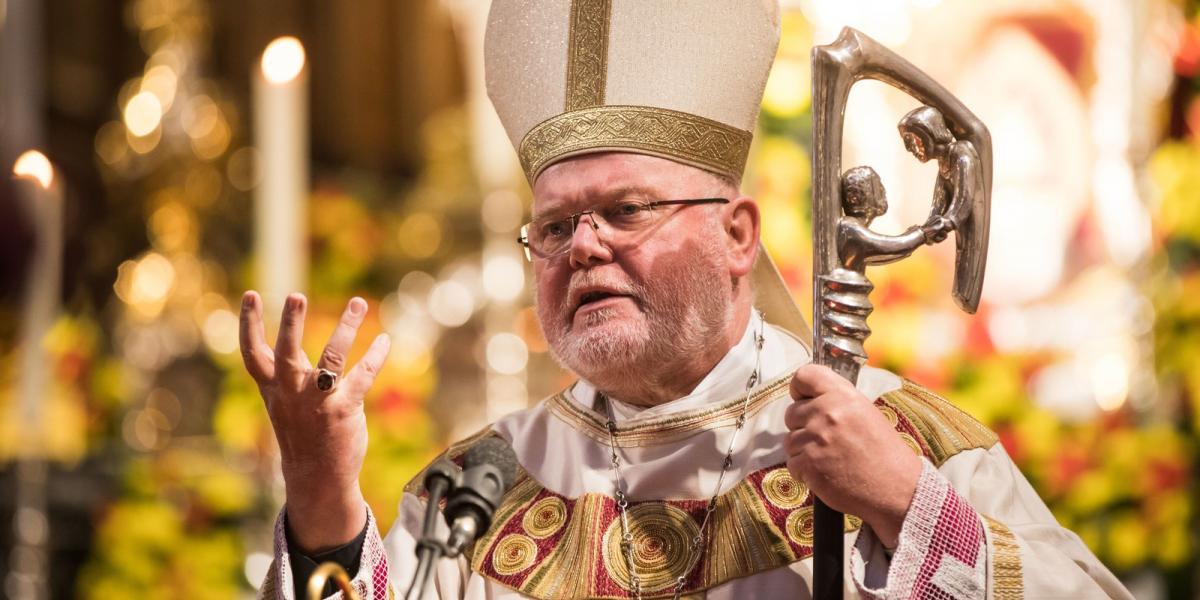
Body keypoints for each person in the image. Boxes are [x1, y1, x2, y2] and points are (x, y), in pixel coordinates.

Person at [245, 1, 1131, 598]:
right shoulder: (476, 490)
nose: (584, 244)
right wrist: (322, 493)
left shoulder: (897, 436)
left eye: (627, 210)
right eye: (554, 228)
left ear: (738, 236)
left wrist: (904, 504)